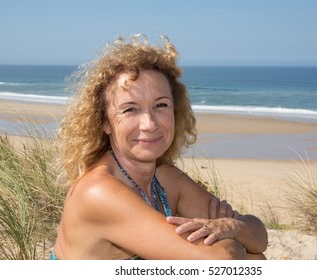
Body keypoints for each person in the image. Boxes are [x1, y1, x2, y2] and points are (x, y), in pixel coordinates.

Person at [52, 35, 267, 260]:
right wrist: (235, 241)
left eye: (161, 105)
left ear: (175, 111)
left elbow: (260, 237)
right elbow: (222, 260)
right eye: (130, 109)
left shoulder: (165, 178)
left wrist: (231, 227)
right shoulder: (98, 192)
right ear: (104, 122)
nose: (150, 124)